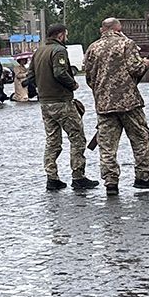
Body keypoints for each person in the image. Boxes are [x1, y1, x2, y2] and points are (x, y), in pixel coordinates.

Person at [84, 18, 149, 196]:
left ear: (103, 29)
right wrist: (144, 64)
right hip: (129, 102)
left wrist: (101, 91)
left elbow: (88, 76)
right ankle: (142, 177)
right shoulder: (127, 44)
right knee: (141, 138)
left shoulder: (92, 48)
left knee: (107, 146)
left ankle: (111, 182)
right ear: (119, 28)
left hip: (104, 104)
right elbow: (135, 69)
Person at [32, 24, 98, 191]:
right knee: (77, 137)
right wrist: (73, 84)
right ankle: (78, 176)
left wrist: (42, 88)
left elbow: (30, 76)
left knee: (52, 141)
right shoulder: (59, 50)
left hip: (45, 103)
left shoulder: (39, 51)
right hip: (61, 101)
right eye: (65, 35)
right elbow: (60, 72)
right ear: (60, 35)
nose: (66, 38)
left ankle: (52, 177)